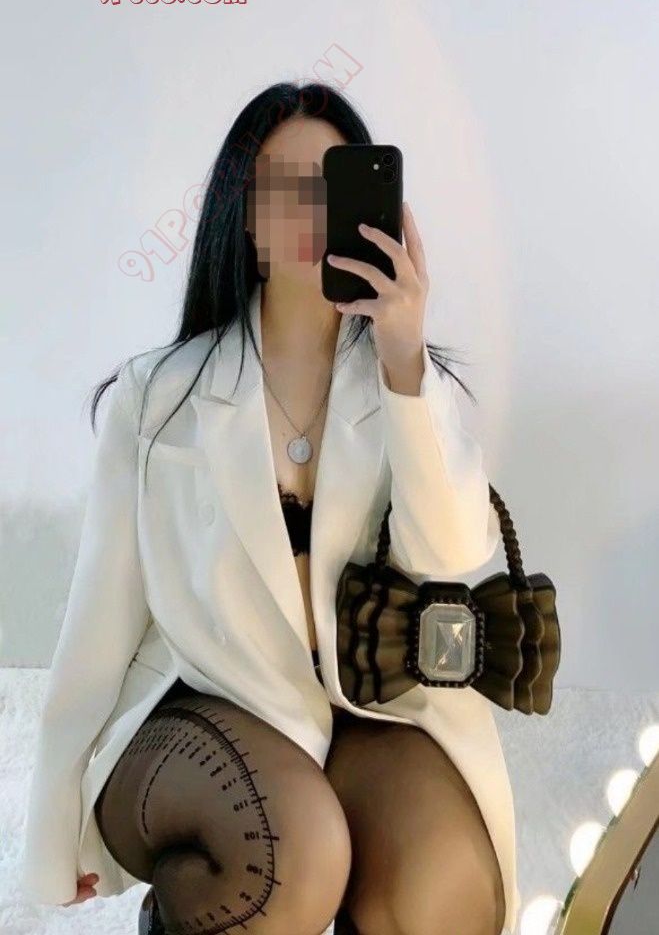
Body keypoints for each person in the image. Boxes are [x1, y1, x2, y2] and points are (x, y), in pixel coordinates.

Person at [21, 81, 517, 935]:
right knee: (291, 850)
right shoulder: (160, 397)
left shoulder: (410, 385)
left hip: (366, 706)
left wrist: (403, 359)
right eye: (284, 186)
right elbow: (99, 615)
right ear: (244, 217)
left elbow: (449, 561)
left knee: (438, 889)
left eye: (333, 184)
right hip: (195, 700)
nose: (312, 209)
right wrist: (52, 824)